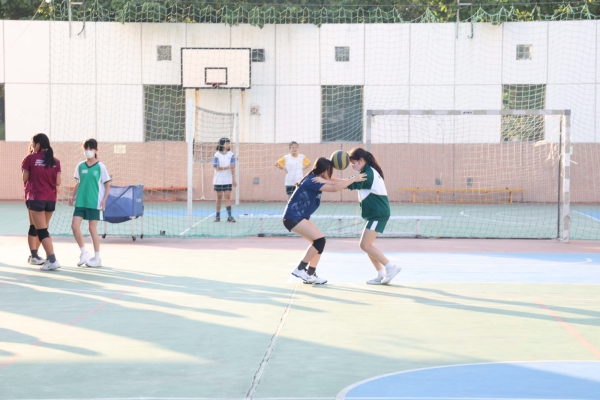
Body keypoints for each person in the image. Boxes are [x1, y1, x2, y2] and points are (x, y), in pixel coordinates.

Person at [314, 148, 400, 285]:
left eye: (353, 163)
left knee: (365, 245)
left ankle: (390, 267)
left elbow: (345, 185)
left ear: (361, 160)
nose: (352, 166)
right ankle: (380, 274)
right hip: (375, 214)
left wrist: (325, 181)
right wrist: (327, 179)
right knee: (367, 245)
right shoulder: (367, 171)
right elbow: (346, 181)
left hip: (378, 214)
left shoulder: (368, 174)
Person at [285, 157, 366, 284]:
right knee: (319, 241)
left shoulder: (317, 177)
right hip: (293, 217)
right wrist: (353, 179)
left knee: (319, 243)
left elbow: (335, 181)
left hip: (298, 217)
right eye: (329, 170)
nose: (331, 173)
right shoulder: (313, 180)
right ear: (323, 171)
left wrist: (351, 180)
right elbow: (335, 188)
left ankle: (310, 273)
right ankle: (300, 269)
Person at [21, 133, 61, 271]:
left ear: (38, 145)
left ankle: (52, 259)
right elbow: (58, 182)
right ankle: (35, 256)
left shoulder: (30, 158)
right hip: (50, 199)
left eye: (33, 143)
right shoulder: (55, 161)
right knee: (41, 228)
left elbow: (24, 178)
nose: (31, 145)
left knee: (40, 230)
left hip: (35, 198)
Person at [69, 139, 111, 268]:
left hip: (95, 202)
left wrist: (104, 200)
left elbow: (107, 184)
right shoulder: (80, 166)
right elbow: (79, 183)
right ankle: (84, 253)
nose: (88, 151)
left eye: (91, 148)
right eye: (86, 148)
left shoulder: (101, 167)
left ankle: (97, 258)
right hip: (81, 201)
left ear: (96, 150)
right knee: (74, 226)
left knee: (92, 228)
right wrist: (72, 196)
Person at [213, 137, 237, 222]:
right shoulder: (217, 155)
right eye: (227, 143)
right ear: (222, 144)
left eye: (229, 143)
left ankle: (230, 217)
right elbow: (216, 167)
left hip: (227, 179)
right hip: (218, 179)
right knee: (219, 197)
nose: (228, 145)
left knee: (227, 197)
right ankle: (217, 216)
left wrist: (233, 179)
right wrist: (227, 167)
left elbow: (233, 167)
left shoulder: (231, 154)